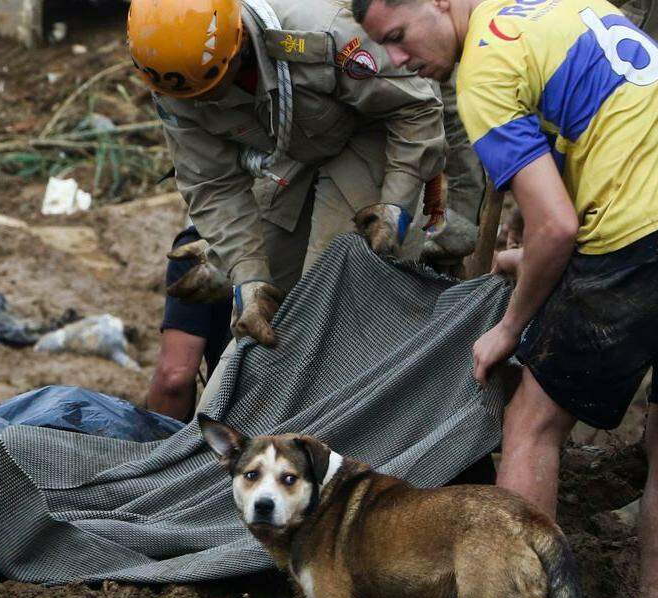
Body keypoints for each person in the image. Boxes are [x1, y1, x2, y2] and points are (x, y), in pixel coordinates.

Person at [353, 0, 658, 598]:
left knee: (531, 425)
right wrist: (523, 249)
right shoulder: (562, 7)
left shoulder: (484, 65)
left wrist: (509, 324)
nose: (397, 60)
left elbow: (557, 227)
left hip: (643, 236)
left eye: (397, 37)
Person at [127, 0, 461, 348]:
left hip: (371, 135)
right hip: (289, 151)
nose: (205, 101)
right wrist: (247, 276)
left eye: (213, 87)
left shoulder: (319, 32)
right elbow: (212, 185)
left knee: (332, 302)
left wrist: (396, 206)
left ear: (238, 44)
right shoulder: (172, 79)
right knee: (260, 321)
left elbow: (416, 106)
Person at [145, 224, 232, 421]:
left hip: (235, 432)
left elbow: (175, 376)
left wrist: (159, 447)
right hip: (311, 421)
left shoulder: (199, 249)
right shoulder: (314, 250)